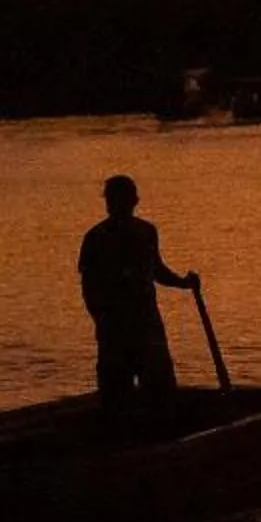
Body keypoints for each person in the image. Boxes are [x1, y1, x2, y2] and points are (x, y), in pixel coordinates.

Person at [78, 175, 197, 415]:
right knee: (117, 394)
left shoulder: (145, 232)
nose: (118, 205)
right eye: (114, 200)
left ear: (133, 201)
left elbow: (157, 270)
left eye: (121, 200)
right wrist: (102, 320)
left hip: (145, 325)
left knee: (157, 388)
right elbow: (89, 288)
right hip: (117, 327)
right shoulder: (96, 238)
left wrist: (184, 283)